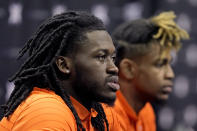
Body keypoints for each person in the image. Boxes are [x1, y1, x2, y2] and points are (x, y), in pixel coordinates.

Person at [0, 11, 120, 131]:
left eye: (113, 58)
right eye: (101, 57)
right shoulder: (47, 113)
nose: (113, 68)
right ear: (64, 65)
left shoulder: (102, 114)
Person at [112, 11, 189, 131]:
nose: (170, 74)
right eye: (159, 64)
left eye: (169, 64)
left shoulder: (146, 112)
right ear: (128, 69)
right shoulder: (106, 118)